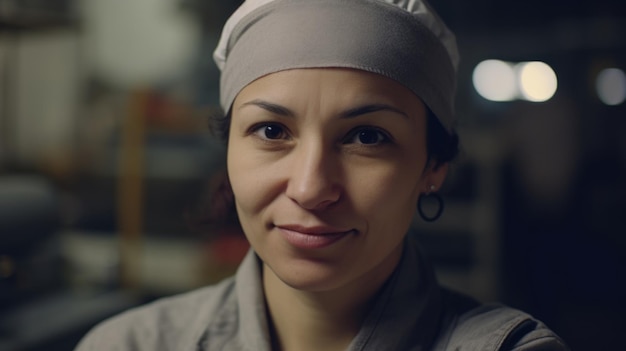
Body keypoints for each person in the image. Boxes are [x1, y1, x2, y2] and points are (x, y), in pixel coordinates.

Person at [76, 0, 569, 350]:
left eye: (367, 137)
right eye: (271, 130)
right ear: (228, 149)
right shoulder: (129, 344)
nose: (310, 188)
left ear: (433, 167)